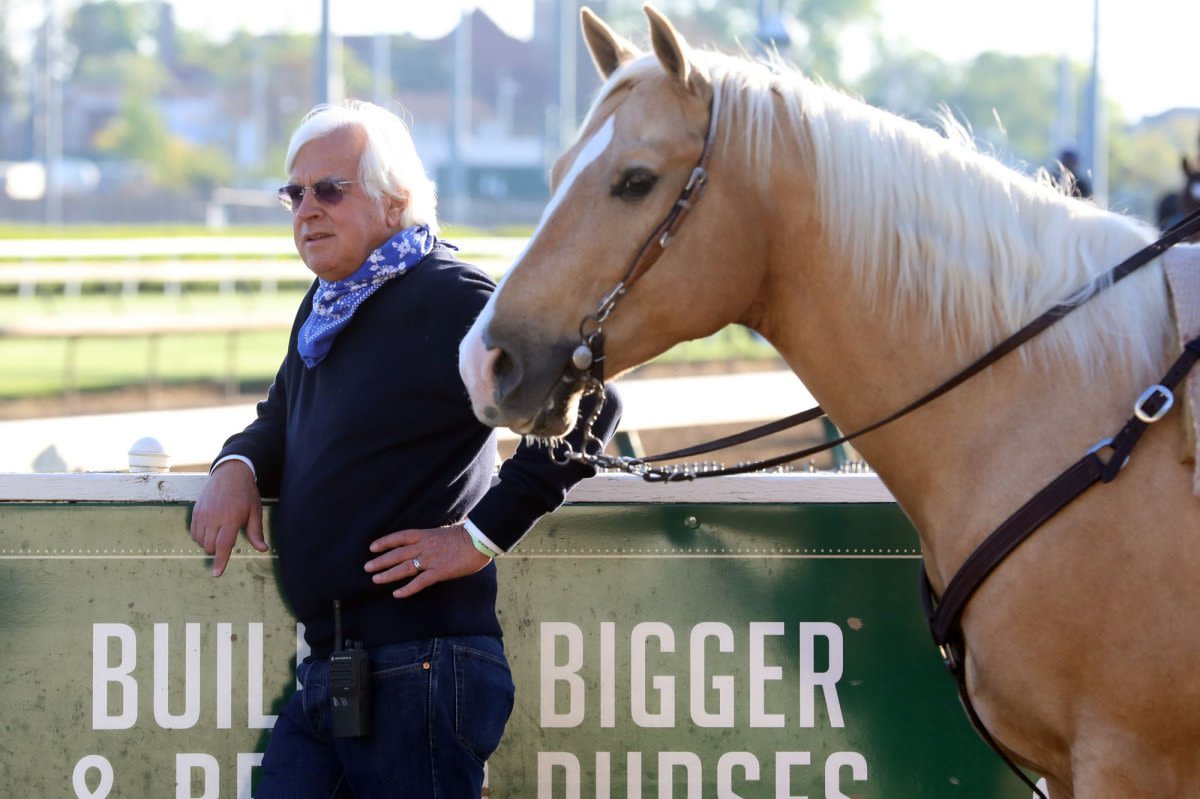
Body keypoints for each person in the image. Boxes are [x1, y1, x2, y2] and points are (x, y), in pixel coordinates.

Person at [188, 99, 621, 798]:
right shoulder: (327, 304)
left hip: (424, 667)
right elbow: (280, 417)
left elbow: (594, 401)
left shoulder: (455, 297)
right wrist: (236, 464)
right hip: (331, 670)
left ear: (395, 202)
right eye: (294, 194)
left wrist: (479, 536)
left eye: (330, 189)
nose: (306, 209)